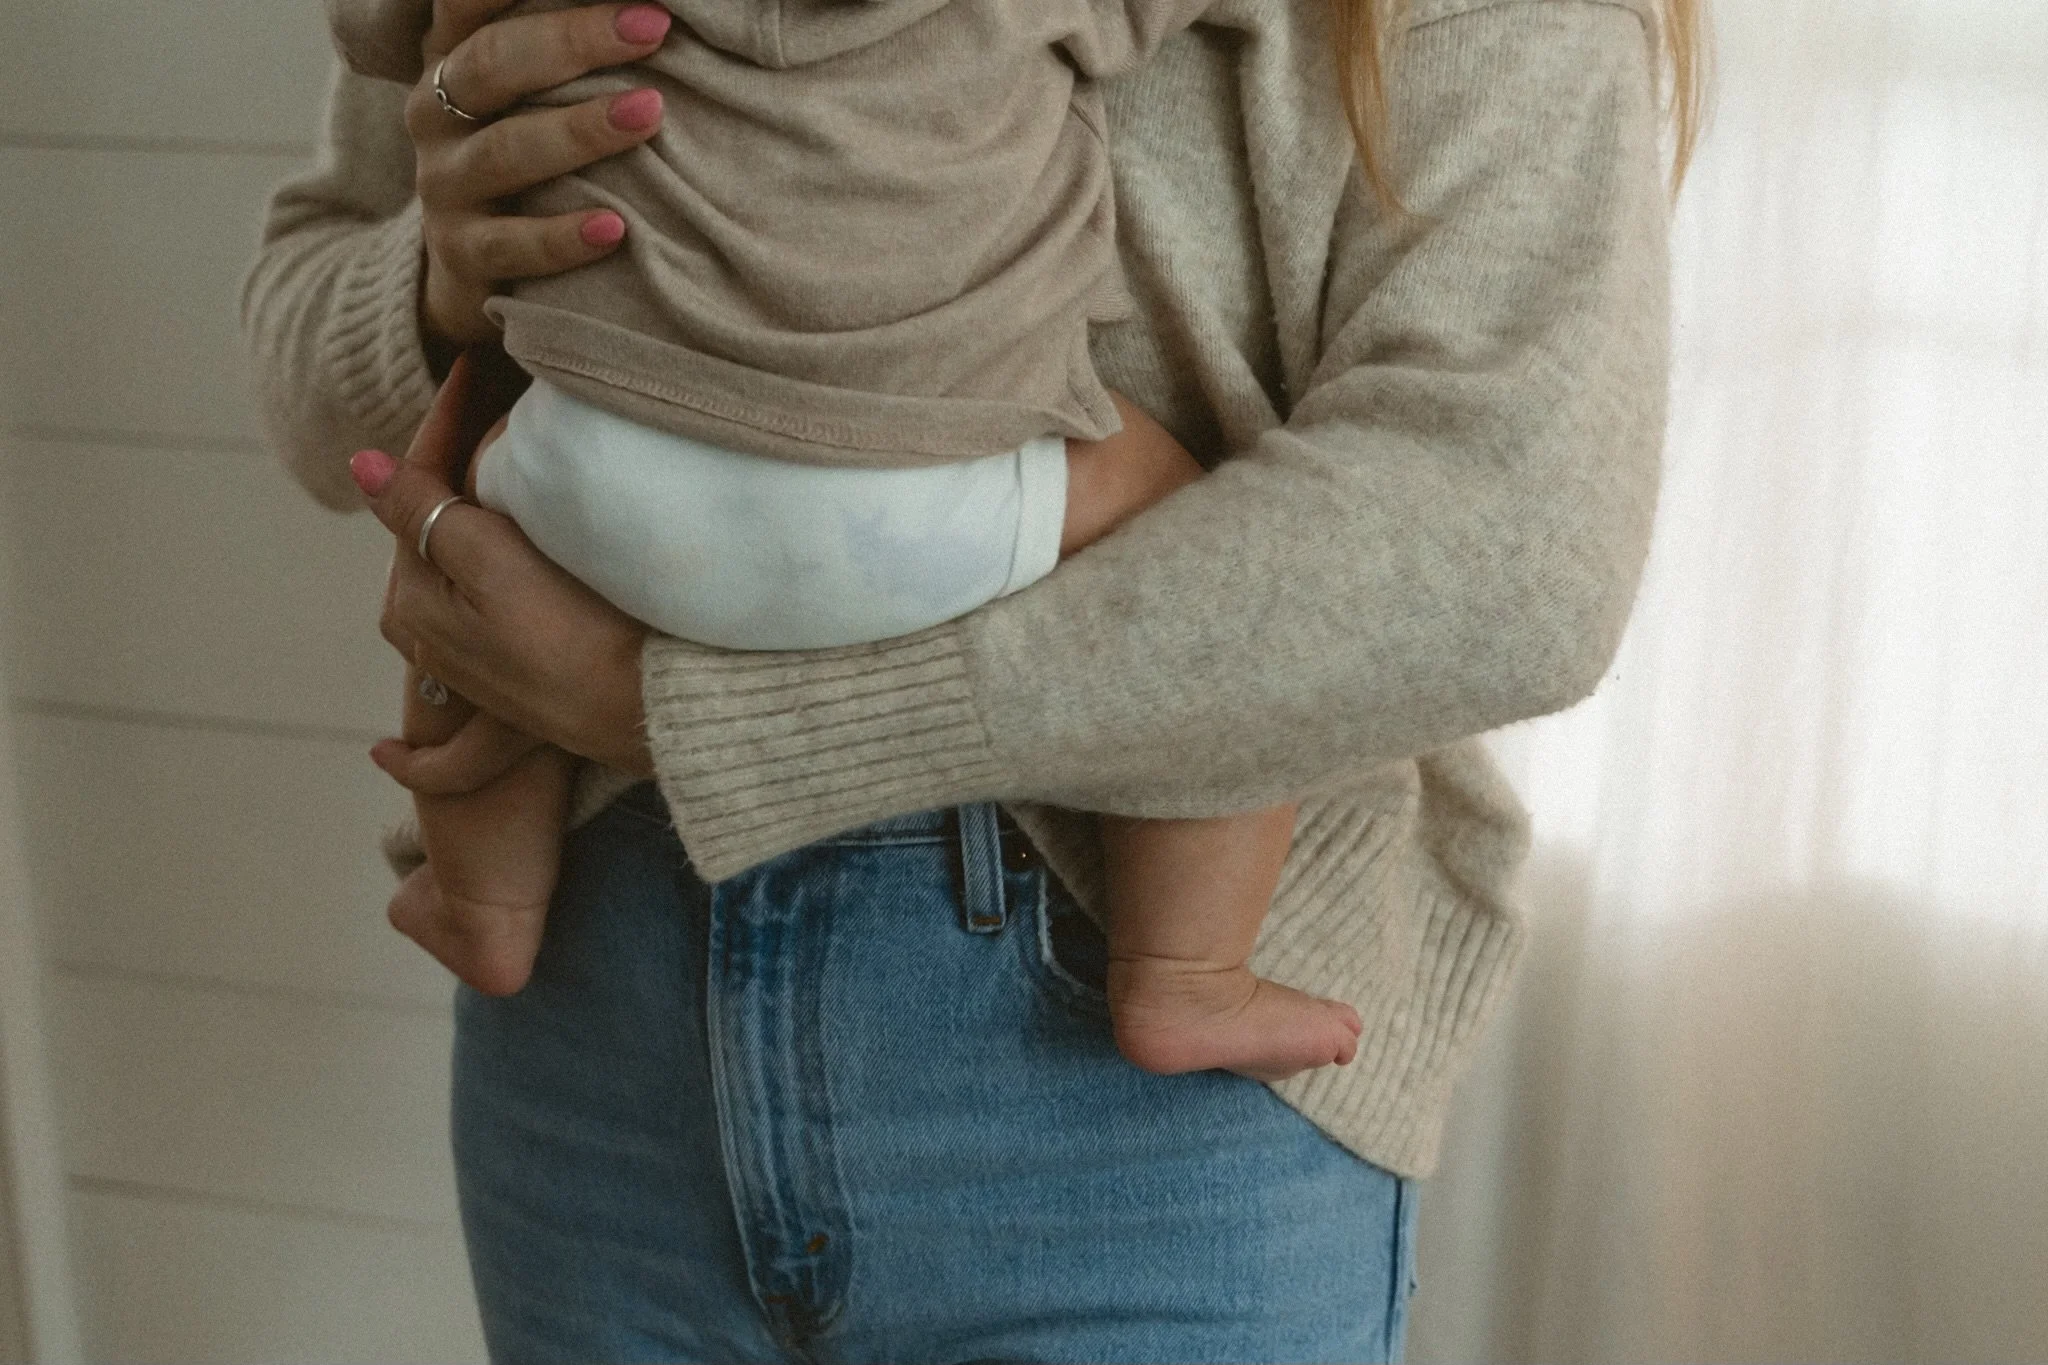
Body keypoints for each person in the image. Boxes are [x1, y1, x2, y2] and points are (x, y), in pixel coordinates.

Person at [243, 0, 1698, 1356]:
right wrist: (448, 268)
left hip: (1131, 1142)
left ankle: (476, 884)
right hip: (608, 1030)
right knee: (1134, 482)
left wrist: (698, 721)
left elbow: (1511, 553)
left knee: (495, 503)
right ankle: (1182, 972)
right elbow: (309, 355)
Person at [321, 0, 1367, 1082]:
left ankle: (478, 896)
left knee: (463, 519)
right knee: (1184, 529)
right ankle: (1185, 972)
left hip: (594, 478)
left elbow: (385, 33)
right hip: (924, 513)